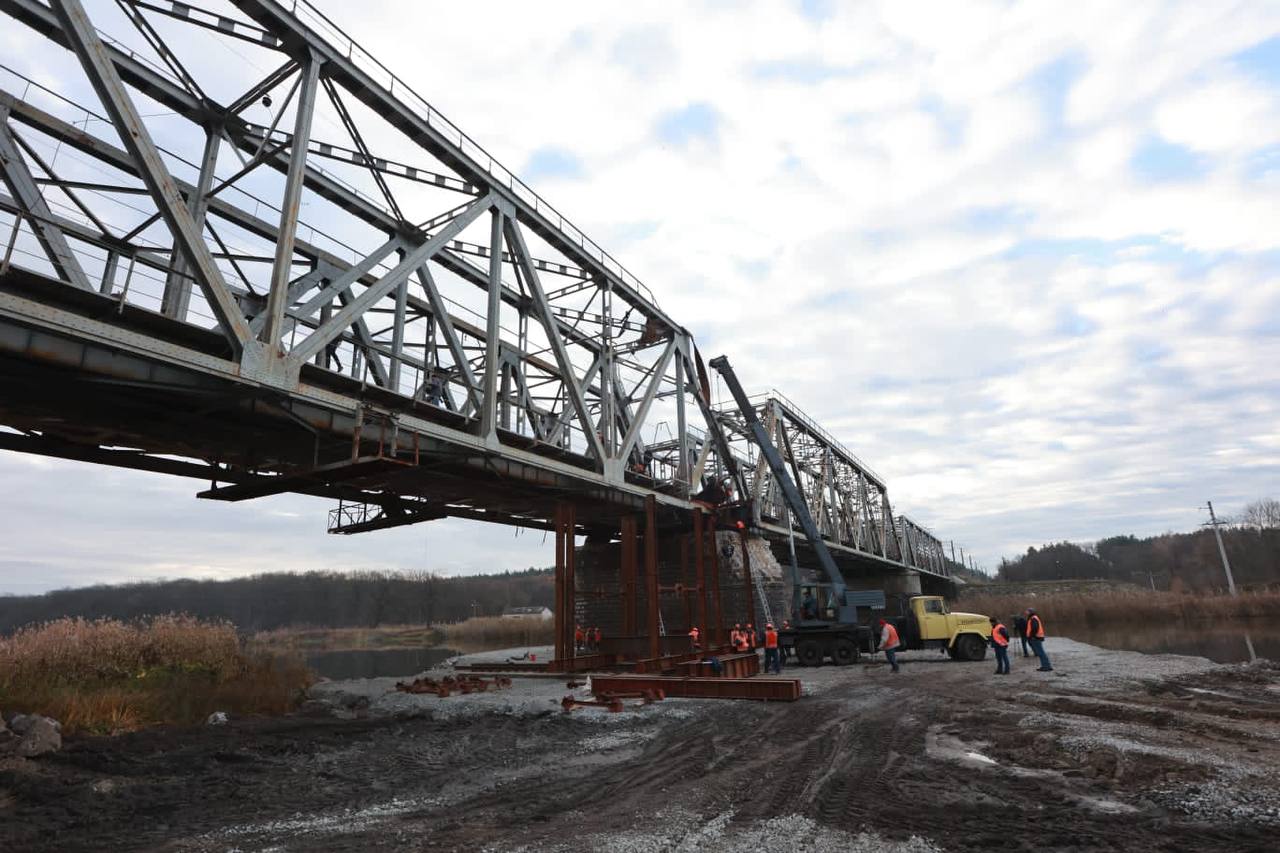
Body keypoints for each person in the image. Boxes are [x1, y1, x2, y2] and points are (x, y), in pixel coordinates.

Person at [1024, 608, 1053, 672]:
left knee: (1041, 653)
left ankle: (1046, 666)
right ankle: (1046, 666)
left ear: (1030, 612)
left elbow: (1035, 628)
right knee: (1041, 652)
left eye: (1027, 611)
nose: (1026, 612)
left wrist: (1032, 636)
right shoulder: (1033, 618)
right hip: (1037, 637)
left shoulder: (1033, 618)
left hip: (1036, 638)